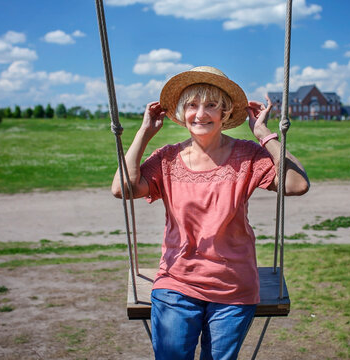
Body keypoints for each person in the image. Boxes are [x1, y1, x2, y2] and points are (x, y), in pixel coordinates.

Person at [111, 66, 309, 360]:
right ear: (181, 112)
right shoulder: (167, 158)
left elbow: (297, 184)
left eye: (211, 105)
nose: (201, 113)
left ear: (225, 112)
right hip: (177, 282)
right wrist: (143, 133)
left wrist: (264, 134)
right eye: (192, 105)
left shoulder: (247, 156)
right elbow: (122, 189)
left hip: (233, 286)